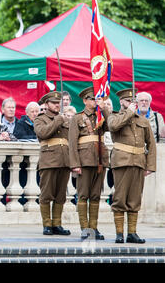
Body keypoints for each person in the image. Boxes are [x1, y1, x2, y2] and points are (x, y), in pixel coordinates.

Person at [108, 88, 156, 244]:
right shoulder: (115, 116)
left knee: (135, 199)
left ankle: (132, 233)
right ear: (121, 102)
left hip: (139, 162)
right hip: (122, 162)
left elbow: (151, 144)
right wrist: (128, 112)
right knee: (120, 198)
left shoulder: (143, 120)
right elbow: (114, 127)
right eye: (128, 101)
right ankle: (119, 233)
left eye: (132, 101)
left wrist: (150, 165)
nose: (131, 104)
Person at [68, 86, 110, 240]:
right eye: (92, 99)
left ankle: (94, 227)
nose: (95, 101)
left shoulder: (101, 116)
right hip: (84, 161)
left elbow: (112, 125)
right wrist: (75, 164)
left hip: (99, 159)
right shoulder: (77, 118)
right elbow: (72, 143)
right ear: (85, 101)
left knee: (96, 196)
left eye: (97, 98)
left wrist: (104, 108)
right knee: (83, 195)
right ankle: (85, 228)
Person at [34, 91, 71, 236]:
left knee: (60, 194)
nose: (57, 105)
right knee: (46, 194)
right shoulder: (41, 119)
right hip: (49, 160)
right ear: (46, 104)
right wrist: (57, 121)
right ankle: (47, 224)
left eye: (58, 103)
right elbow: (43, 133)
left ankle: (57, 223)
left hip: (64, 160)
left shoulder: (64, 119)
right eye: (54, 103)